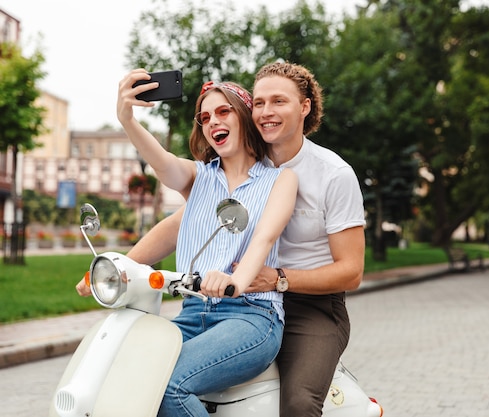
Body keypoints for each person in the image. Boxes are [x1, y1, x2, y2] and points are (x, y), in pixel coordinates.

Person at [78, 62, 365, 416]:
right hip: (206, 303)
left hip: (296, 304)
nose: (267, 112)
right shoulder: (205, 177)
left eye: (279, 102)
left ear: (304, 108)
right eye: (260, 103)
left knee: (298, 402)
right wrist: (115, 268)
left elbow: (279, 244)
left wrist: (249, 280)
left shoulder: (316, 175)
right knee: (133, 377)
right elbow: (175, 217)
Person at [112, 69, 297, 417]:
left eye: (223, 112)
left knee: (168, 385)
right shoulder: (198, 178)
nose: (213, 122)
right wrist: (127, 119)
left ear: (243, 116)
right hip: (194, 312)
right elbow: (162, 163)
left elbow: (264, 238)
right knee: (128, 376)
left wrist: (235, 283)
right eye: (205, 117)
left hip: (251, 317)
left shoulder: (280, 179)